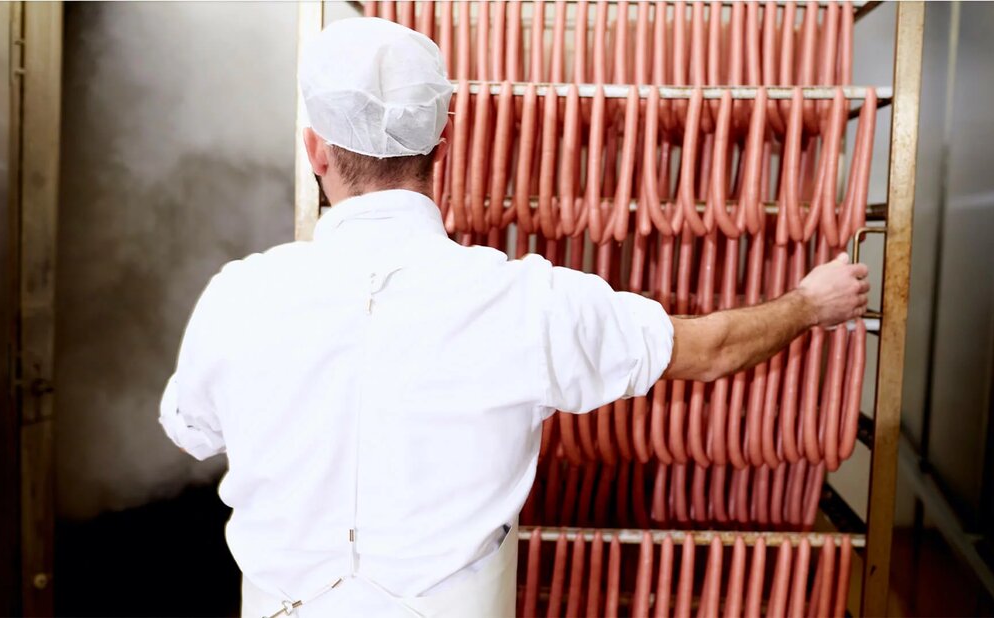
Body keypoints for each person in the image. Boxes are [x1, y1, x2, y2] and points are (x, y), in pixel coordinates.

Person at [159, 17, 869, 618]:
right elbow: (711, 350)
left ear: (313, 147)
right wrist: (812, 301)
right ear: (444, 142)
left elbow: (190, 429)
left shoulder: (237, 296)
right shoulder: (530, 302)